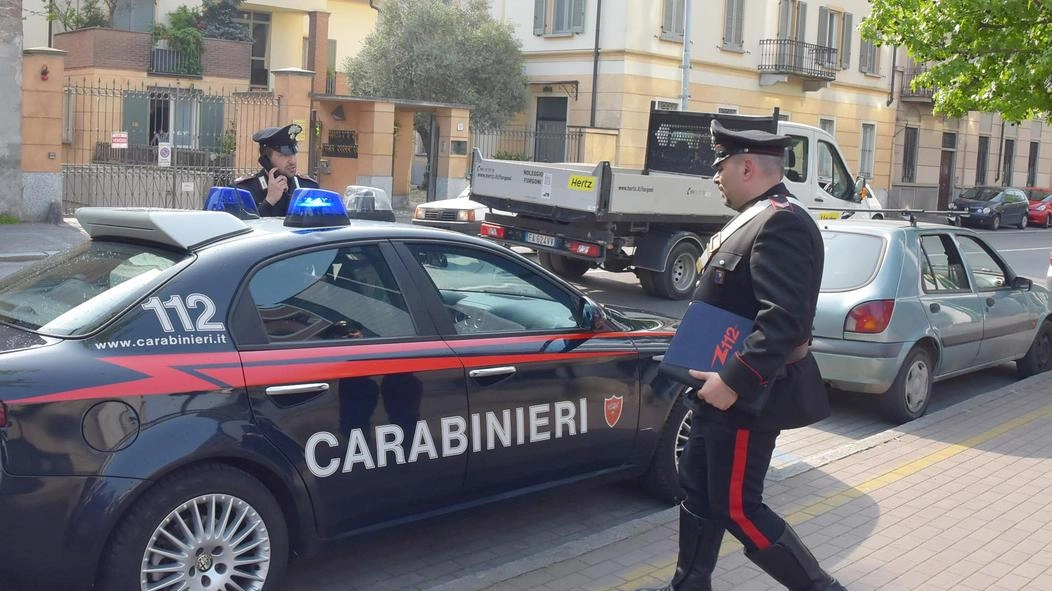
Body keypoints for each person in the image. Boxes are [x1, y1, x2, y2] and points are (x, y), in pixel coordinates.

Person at [639, 120, 845, 591]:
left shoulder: (782, 222)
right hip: (715, 388)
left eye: (720, 165)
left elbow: (784, 321)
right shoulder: (756, 215)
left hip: (747, 395)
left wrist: (732, 382)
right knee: (697, 492)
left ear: (747, 165)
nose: (715, 176)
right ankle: (688, 585)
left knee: (737, 507)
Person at [235, 123, 319, 217]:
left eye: (294, 153)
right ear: (265, 159)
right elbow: (244, 228)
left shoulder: (308, 187)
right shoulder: (244, 190)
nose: (292, 161)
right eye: (284, 155)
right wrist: (269, 201)